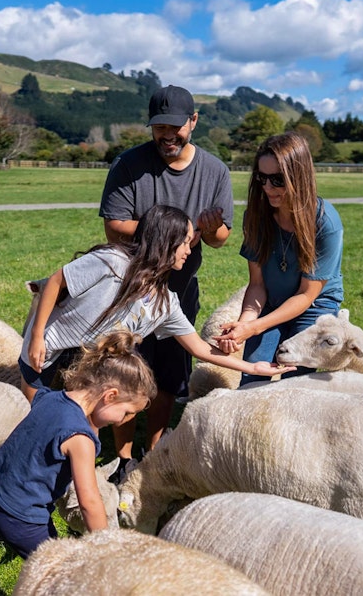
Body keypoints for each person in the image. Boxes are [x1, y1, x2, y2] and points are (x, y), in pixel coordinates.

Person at [21, 204, 288, 402]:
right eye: (184, 242)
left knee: (71, 422)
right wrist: (36, 338)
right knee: (32, 417)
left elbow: (199, 348)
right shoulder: (112, 262)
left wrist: (253, 367)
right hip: (49, 351)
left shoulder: (164, 302)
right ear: (165, 243)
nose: (188, 249)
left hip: (89, 364)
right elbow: (56, 281)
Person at [99, 84, 234, 469]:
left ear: (193, 122)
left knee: (169, 378)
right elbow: (114, 227)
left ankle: (153, 451)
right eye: (159, 127)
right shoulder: (129, 165)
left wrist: (209, 229)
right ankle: (123, 456)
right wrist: (174, 230)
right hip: (130, 288)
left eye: (175, 127)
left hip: (180, 289)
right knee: (125, 370)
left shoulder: (214, 171)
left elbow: (222, 238)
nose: (167, 135)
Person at [0, 331, 155, 559]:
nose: (123, 421)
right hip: (23, 517)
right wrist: (107, 548)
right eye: (126, 413)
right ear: (110, 395)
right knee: (59, 572)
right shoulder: (80, 439)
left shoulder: (51, 398)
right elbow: (90, 503)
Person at [213, 131, 344, 385]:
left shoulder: (326, 224)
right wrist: (244, 326)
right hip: (271, 301)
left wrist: (254, 328)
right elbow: (258, 285)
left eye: (277, 180)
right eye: (262, 178)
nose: (267, 188)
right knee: (252, 379)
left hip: (314, 307)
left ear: (299, 177)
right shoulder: (256, 216)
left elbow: (307, 295)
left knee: (295, 385)